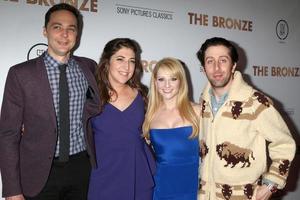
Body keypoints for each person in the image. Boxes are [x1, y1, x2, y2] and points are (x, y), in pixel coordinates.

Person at [0, 3, 100, 200]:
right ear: (45, 31)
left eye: (71, 29)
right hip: (38, 174)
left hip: (81, 168)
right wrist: (12, 189)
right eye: (57, 27)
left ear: (77, 35)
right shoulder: (20, 74)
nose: (65, 34)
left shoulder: (89, 68)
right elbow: (8, 134)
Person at [196, 37, 296, 200]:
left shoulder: (255, 102)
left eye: (223, 60)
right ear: (203, 68)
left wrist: (271, 185)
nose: (216, 68)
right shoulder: (203, 101)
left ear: (233, 65)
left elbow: (284, 143)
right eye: (210, 61)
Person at [88, 38, 155, 200]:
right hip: (103, 175)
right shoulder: (90, 94)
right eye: (120, 59)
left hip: (139, 173)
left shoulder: (143, 94)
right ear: (106, 62)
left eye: (132, 61)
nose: (127, 67)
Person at [143, 57, 201, 200]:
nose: (167, 85)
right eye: (161, 79)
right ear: (155, 82)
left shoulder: (198, 111)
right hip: (161, 186)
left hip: (194, 186)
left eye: (173, 79)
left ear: (181, 81)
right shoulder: (149, 115)